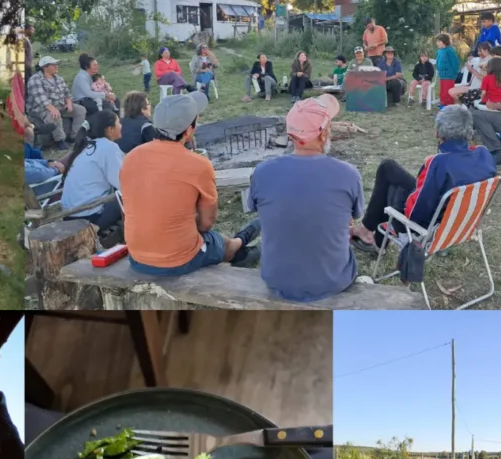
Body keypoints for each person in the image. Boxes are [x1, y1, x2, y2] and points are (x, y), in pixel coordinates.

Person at [121, 92, 261, 276]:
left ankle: (242, 243)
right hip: (177, 260)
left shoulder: (131, 158)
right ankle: (242, 247)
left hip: (137, 256)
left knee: (209, 238)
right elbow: (206, 223)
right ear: (189, 130)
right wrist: (180, 225)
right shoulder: (198, 165)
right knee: (217, 240)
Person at [249, 95, 364, 302]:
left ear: (290, 134)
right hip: (332, 281)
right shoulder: (348, 174)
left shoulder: (261, 172)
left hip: (277, 279)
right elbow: (353, 217)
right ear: (323, 135)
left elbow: (261, 212)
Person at [352, 105, 496, 250]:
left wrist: (425, 172)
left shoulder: (438, 164)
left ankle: (370, 234)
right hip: (459, 224)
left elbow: (415, 213)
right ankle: (369, 232)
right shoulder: (483, 154)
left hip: (425, 229)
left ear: (437, 133)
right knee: (388, 168)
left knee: (393, 185)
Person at [58, 111, 125, 238]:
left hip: (69, 216)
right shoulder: (108, 147)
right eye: (118, 122)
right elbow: (123, 184)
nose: (121, 126)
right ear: (110, 129)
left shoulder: (87, 145)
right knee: (132, 195)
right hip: (89, 217)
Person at [28, 56, 85, 148]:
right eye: (53, 65)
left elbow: (67, 93)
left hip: (60, 105)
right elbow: (41, 99)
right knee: (54, 115)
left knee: (81, 110)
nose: (56, 67)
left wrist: (69, 103)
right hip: (41, 109)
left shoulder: (59, 78)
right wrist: (52, 109)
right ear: (45, 67)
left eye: (56, 64)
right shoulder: (35, 79)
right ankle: (60, 140)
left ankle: (74, 136)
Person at [435, 34, 460, 107]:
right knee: (442, 92)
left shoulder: (449, 50)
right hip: (442, 75)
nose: (437, 43)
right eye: (437, 41)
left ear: (445, 41)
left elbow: (455, 62)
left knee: (447, 92)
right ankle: (443, 104)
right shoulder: (439, 51)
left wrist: (455, 73)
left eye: (439, 41)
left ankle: (449, 106)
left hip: (449, 75)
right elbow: (438, 61)